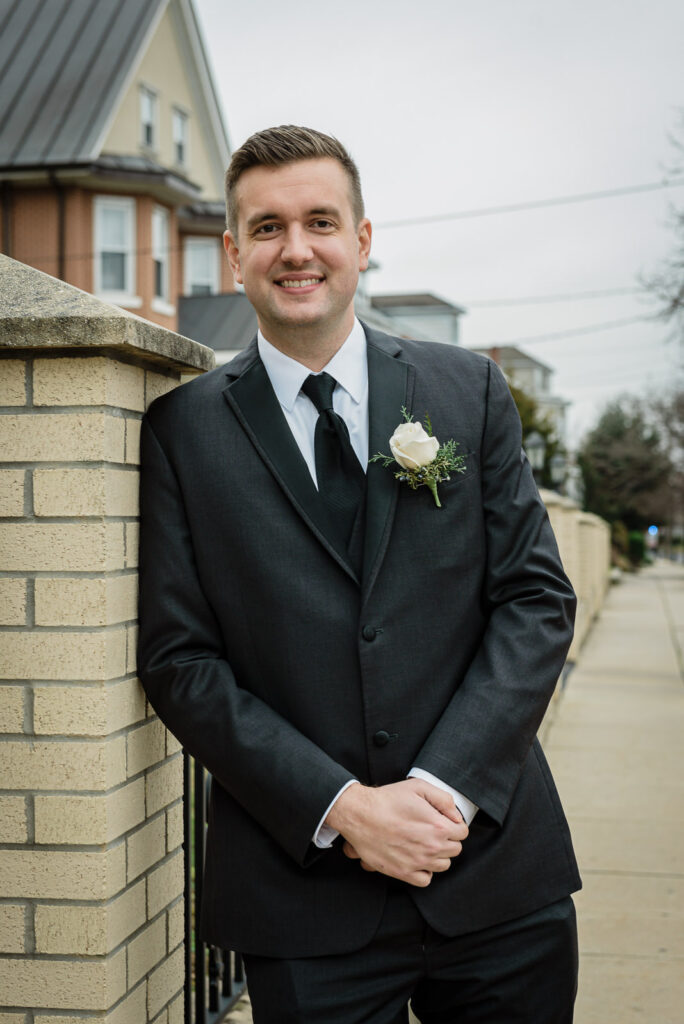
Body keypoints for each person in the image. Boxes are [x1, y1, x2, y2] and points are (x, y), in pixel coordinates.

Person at [137, 125, 581, 1023]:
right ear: (233, 253)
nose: (295, 249)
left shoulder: (469, 392)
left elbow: (534, 600)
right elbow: (181, 662)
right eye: (266, 228)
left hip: (492, 872)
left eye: (320, 221)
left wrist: (437, 792)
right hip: (305, 906)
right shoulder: (180, 432)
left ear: (363, 241)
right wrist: (344, 810)